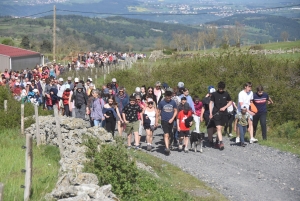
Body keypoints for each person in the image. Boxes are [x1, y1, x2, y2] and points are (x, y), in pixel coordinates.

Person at [209, 81, 232, 150]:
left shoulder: (226, 94)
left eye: (222, 89)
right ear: (218, 88)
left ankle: (216, 142)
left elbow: (230, 101)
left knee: (220, 129)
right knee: (218, 128)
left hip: (224, 113)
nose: (221, 90)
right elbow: (210, 103)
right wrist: (210, 113)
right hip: (216, 113)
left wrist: (225, 107)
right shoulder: (214, 94)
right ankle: (221, 142)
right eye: (220, 88)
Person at [155, 90, 178, 155]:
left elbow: (175, 111)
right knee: (166, 134)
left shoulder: (173, 102)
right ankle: (167, 148)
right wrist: (156, 121)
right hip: (164, 120)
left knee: (169, 134)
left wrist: (172, 118)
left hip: (171, 121)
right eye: (167, 97)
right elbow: (158, 112)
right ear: (165, 96)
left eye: (169, 97)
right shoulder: (162, 103)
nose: (168, 99)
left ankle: (168, 145)